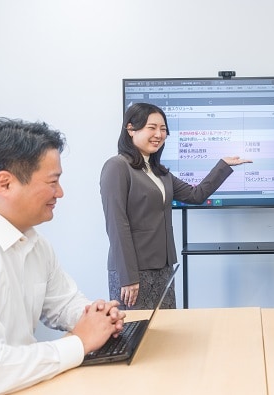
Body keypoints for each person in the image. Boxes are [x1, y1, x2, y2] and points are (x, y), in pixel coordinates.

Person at [0, 118, 126, 395]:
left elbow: (63, 302)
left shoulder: (33, 242)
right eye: (53, 182)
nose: (60, 193)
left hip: (23, 387)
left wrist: (96, 315)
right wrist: (79, 342)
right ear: (5, 184)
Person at [100, 102, 252, 310]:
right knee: (136, 328)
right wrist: (128, 277)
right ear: (131, 129)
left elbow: (196, 195)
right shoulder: (117, 166)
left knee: (166, 326)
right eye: (152, 127)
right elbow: (116, 224)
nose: (159, 134)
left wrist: (223, 166)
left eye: (163, 129)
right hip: (133, 272)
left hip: (163, 267)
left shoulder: (159, 172)